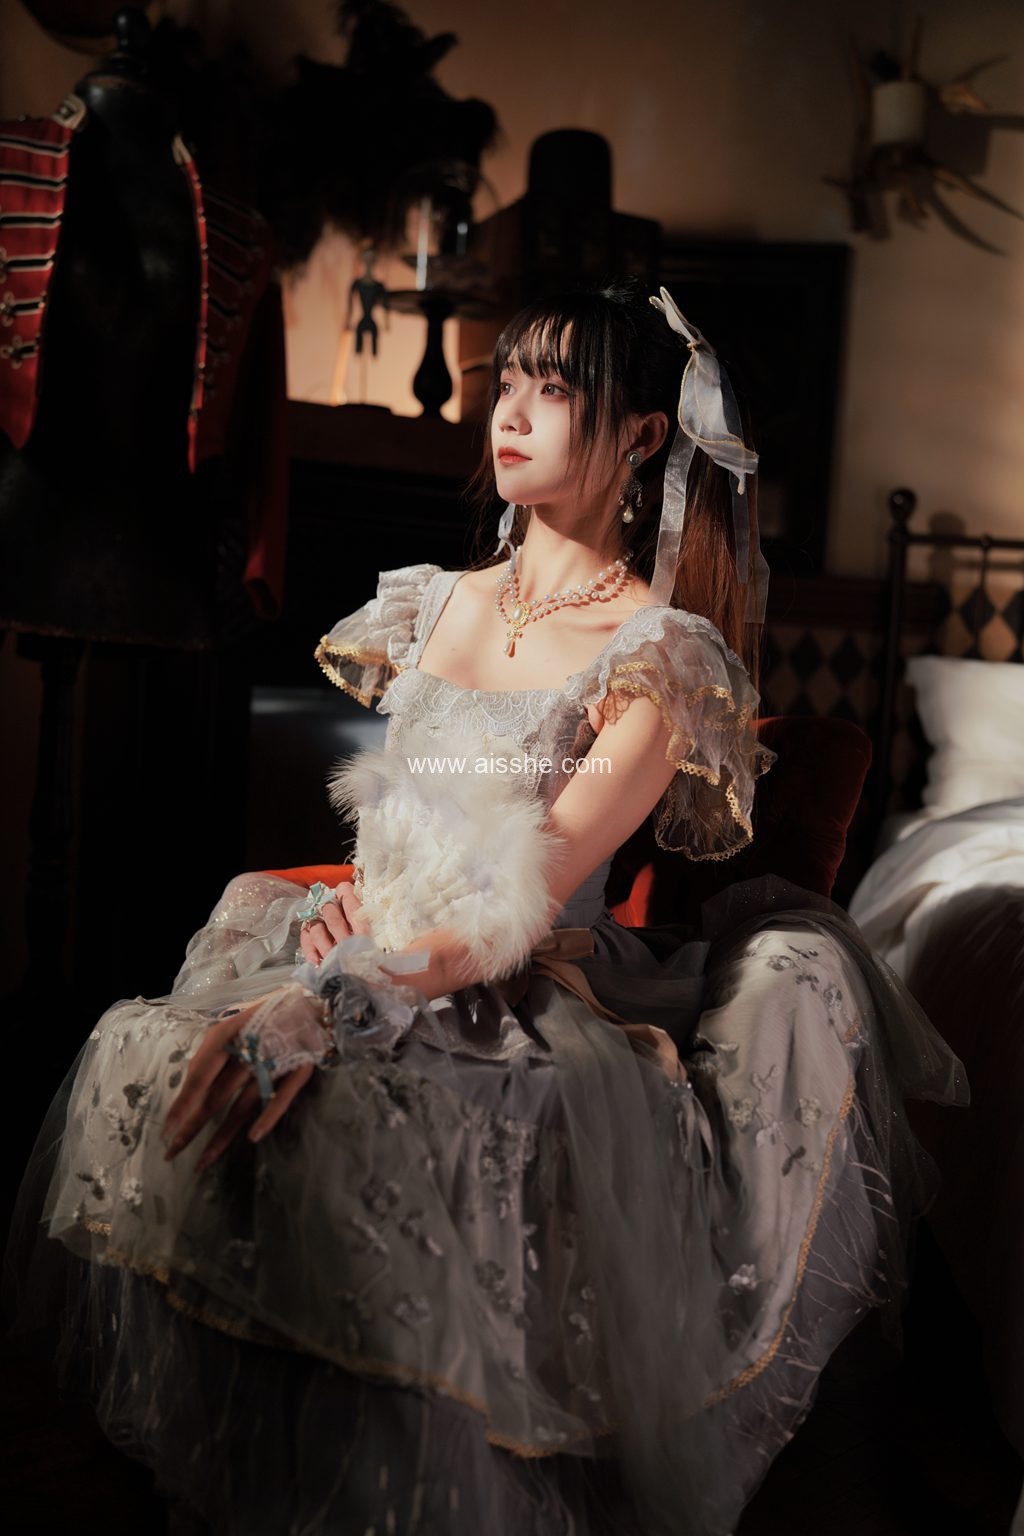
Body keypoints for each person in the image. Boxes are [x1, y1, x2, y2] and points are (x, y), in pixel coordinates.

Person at [5, 279, 966, 1536]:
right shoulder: (438, 600)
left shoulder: (659, 653)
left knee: (360, 1118)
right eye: (505, 381)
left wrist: (348, 994)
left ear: (641, 436)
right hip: (374, 948)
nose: (507, 413)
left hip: (506, 985)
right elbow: (403, 819)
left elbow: (527, 887)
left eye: (551, 389)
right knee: (147, 1049)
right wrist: (345, 920)